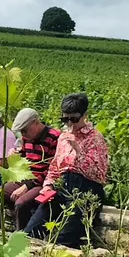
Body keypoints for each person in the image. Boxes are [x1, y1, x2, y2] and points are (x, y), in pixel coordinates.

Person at [24, 93, 109, 248]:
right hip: (62, 185)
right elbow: (56, 164)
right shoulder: (63, 137)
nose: (70, 123)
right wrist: (48, 185)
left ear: (85, 116)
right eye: (65, 119)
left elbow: (98, 173)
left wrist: (78, 150)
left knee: (65, 239)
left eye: (74, 119)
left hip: (86, 188)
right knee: (32, 229)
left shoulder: (95, 138)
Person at [2, 108, 61, 230]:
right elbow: (23, 160)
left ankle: (22, 238)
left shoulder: (54, 138)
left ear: (36, 122)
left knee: (21, 204)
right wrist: (15, 157)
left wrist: (27, 186)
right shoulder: (26, 139)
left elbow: (53, 169)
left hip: (41, 182)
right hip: (26, 179)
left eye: (25, 130)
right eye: (21, 132)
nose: (23, 134)